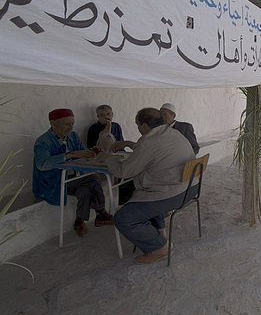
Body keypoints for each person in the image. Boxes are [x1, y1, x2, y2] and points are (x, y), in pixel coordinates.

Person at [96, 108, 195, 264]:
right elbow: (154, 151)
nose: (138, 128)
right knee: (144, 193)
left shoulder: (148, 143)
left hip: (173, 194)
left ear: (143, 125)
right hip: (190, 187)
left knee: (122, 218)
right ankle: (159, 233)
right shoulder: (173, 133)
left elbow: (124, 171)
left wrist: (108, 158)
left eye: (137, 125)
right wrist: (129, 144)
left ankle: (160, 247)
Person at [33, 108, 113, 237]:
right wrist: (70, 154)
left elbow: (82, 151)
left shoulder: (72, 136)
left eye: (72, 124)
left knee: (85, 191)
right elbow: (42, 164)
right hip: (54, 181)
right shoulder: (43, 141)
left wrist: (92, 152)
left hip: (72, 179)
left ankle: (79, 220)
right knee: (93, 177)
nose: (70, 127)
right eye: (67, 124)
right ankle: (100, 211)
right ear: (53, 124)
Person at [87, 104, 134, 204]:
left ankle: (127, 203)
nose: (106, 117)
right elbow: (94, 147)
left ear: (112, 115)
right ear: (98, 117)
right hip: (103, 158)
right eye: (102, 115)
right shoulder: (93, 128)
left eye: (108, 114)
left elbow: (121, 144)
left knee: (131, 174)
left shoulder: (116, 126)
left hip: (118, 155)